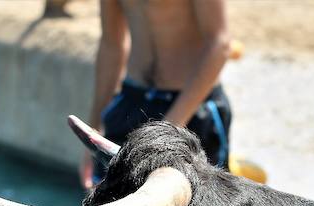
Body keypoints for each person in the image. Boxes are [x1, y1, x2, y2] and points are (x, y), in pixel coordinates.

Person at [81, 0, 232, 188]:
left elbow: (219, 45)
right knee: (106, 201)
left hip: (191, 109)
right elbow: (112, 44)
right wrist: (94, 129)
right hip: (132, 101)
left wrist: (169, 127)